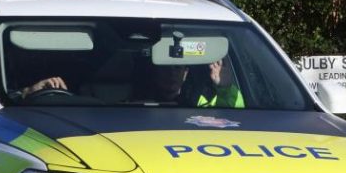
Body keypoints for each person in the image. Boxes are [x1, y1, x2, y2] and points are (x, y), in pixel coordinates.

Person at [20, 59, 244, 107]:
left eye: (176, 68)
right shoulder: (128, 102)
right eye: (164, 68)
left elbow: (240, 123)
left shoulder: (204, 99)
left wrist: (225, 87)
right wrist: (32, 91)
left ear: (186, 71)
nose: (171, 74)